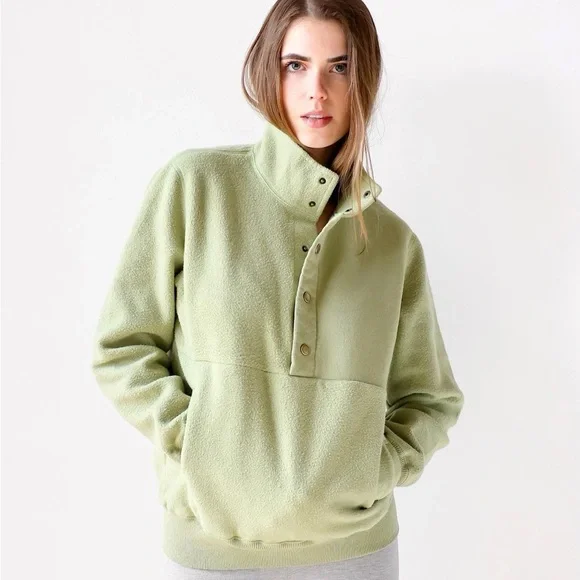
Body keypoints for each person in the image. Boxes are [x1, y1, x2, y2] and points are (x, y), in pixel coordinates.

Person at [90, 1, 465, 578]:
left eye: (340, 67)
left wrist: (372, 469)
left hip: (357, 553)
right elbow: (122, 348)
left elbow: (430, 399)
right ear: (270, 71)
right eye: (296, 65)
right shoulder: (196, 188)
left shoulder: (393, 243)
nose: (317, 90)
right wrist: (197, 442)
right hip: (211, 549)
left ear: (364, 79)